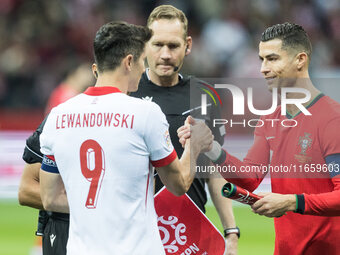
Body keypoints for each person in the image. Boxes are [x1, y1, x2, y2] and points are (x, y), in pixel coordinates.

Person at [38, 21, 213, 255]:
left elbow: (49, 198)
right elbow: (179, 184)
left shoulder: (58, 116)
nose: (143, 69)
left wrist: (95, 207)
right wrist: (194, 145)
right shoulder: (145, 113)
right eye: (142, 61)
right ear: (129, 62)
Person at [178, 22, 340, 255]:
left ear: (300, 60)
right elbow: (251, 177)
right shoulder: (268, 120)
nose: (263, 68)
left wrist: (291, 202)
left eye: (272, 59)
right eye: (262, 59)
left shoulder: (332, 120)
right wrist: (210, 147)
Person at [129, 5, 238, 253]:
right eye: (157, 45)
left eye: (173, 46)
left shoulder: (203, 95)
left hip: (190, 236)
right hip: (137, 235)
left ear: (187, 45)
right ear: (145, 44)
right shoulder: (127, 92)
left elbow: (213, 170)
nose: (165, 54)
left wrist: (231, 232)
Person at [18, 61, 93, 255]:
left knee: (49, 206)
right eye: (83, 71)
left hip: (51, 154)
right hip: (56, 156)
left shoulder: (61, 93)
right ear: (74, 73)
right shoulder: (68, 97)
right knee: (52, 202)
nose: (88, 76)